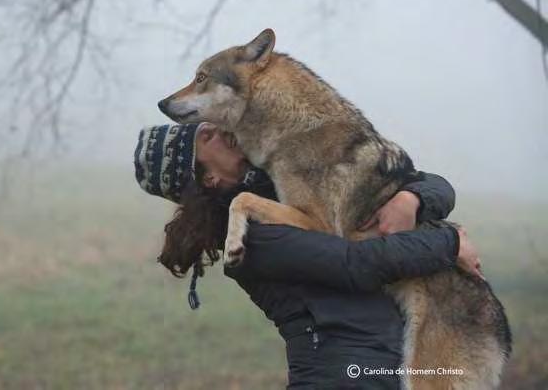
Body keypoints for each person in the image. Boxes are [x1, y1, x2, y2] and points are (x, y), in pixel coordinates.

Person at [134, 122, 482, 389]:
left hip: (382, 368)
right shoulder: (248, 238)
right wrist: (449, 242)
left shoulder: (288, 182)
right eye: (205, 137)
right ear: (207, 177)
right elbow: (356, 264)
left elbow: (428, 183)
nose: (219, 129)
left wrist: (411, 199)